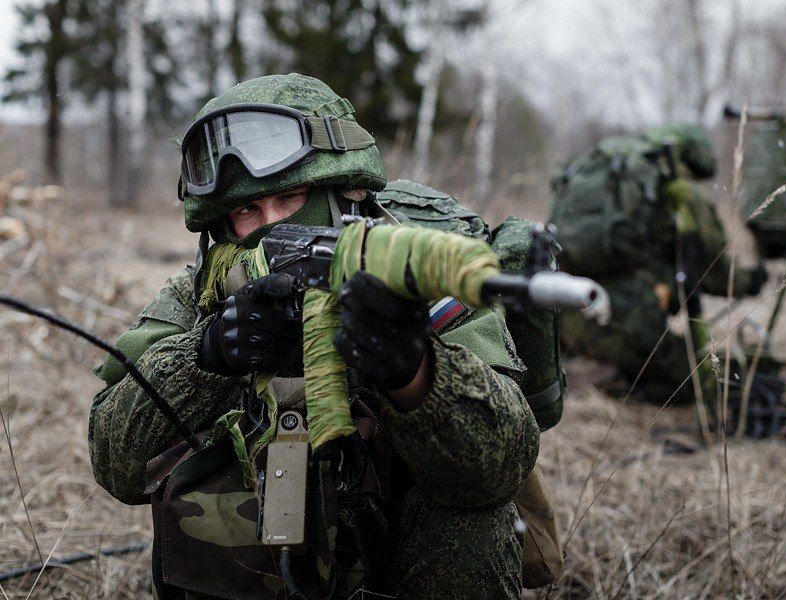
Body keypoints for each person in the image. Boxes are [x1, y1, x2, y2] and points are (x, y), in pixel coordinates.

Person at [89, 73, 540, 599]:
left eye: (292, 198)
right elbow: (113, 463)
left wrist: (415, 371)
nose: (270, 224)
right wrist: (206, 355)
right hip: (248, 573)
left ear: (345, 196)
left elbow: (501, 466)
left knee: (470, 522)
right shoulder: (200, 292)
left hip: (393, 568)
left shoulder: (417, 269)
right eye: (245, 211)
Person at [550, 124, 770, 405]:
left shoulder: (611, 177)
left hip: (567, 317)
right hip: (629, 327)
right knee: (710, 383)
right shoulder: (680, 193)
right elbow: (717, 274)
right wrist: (752, 280)